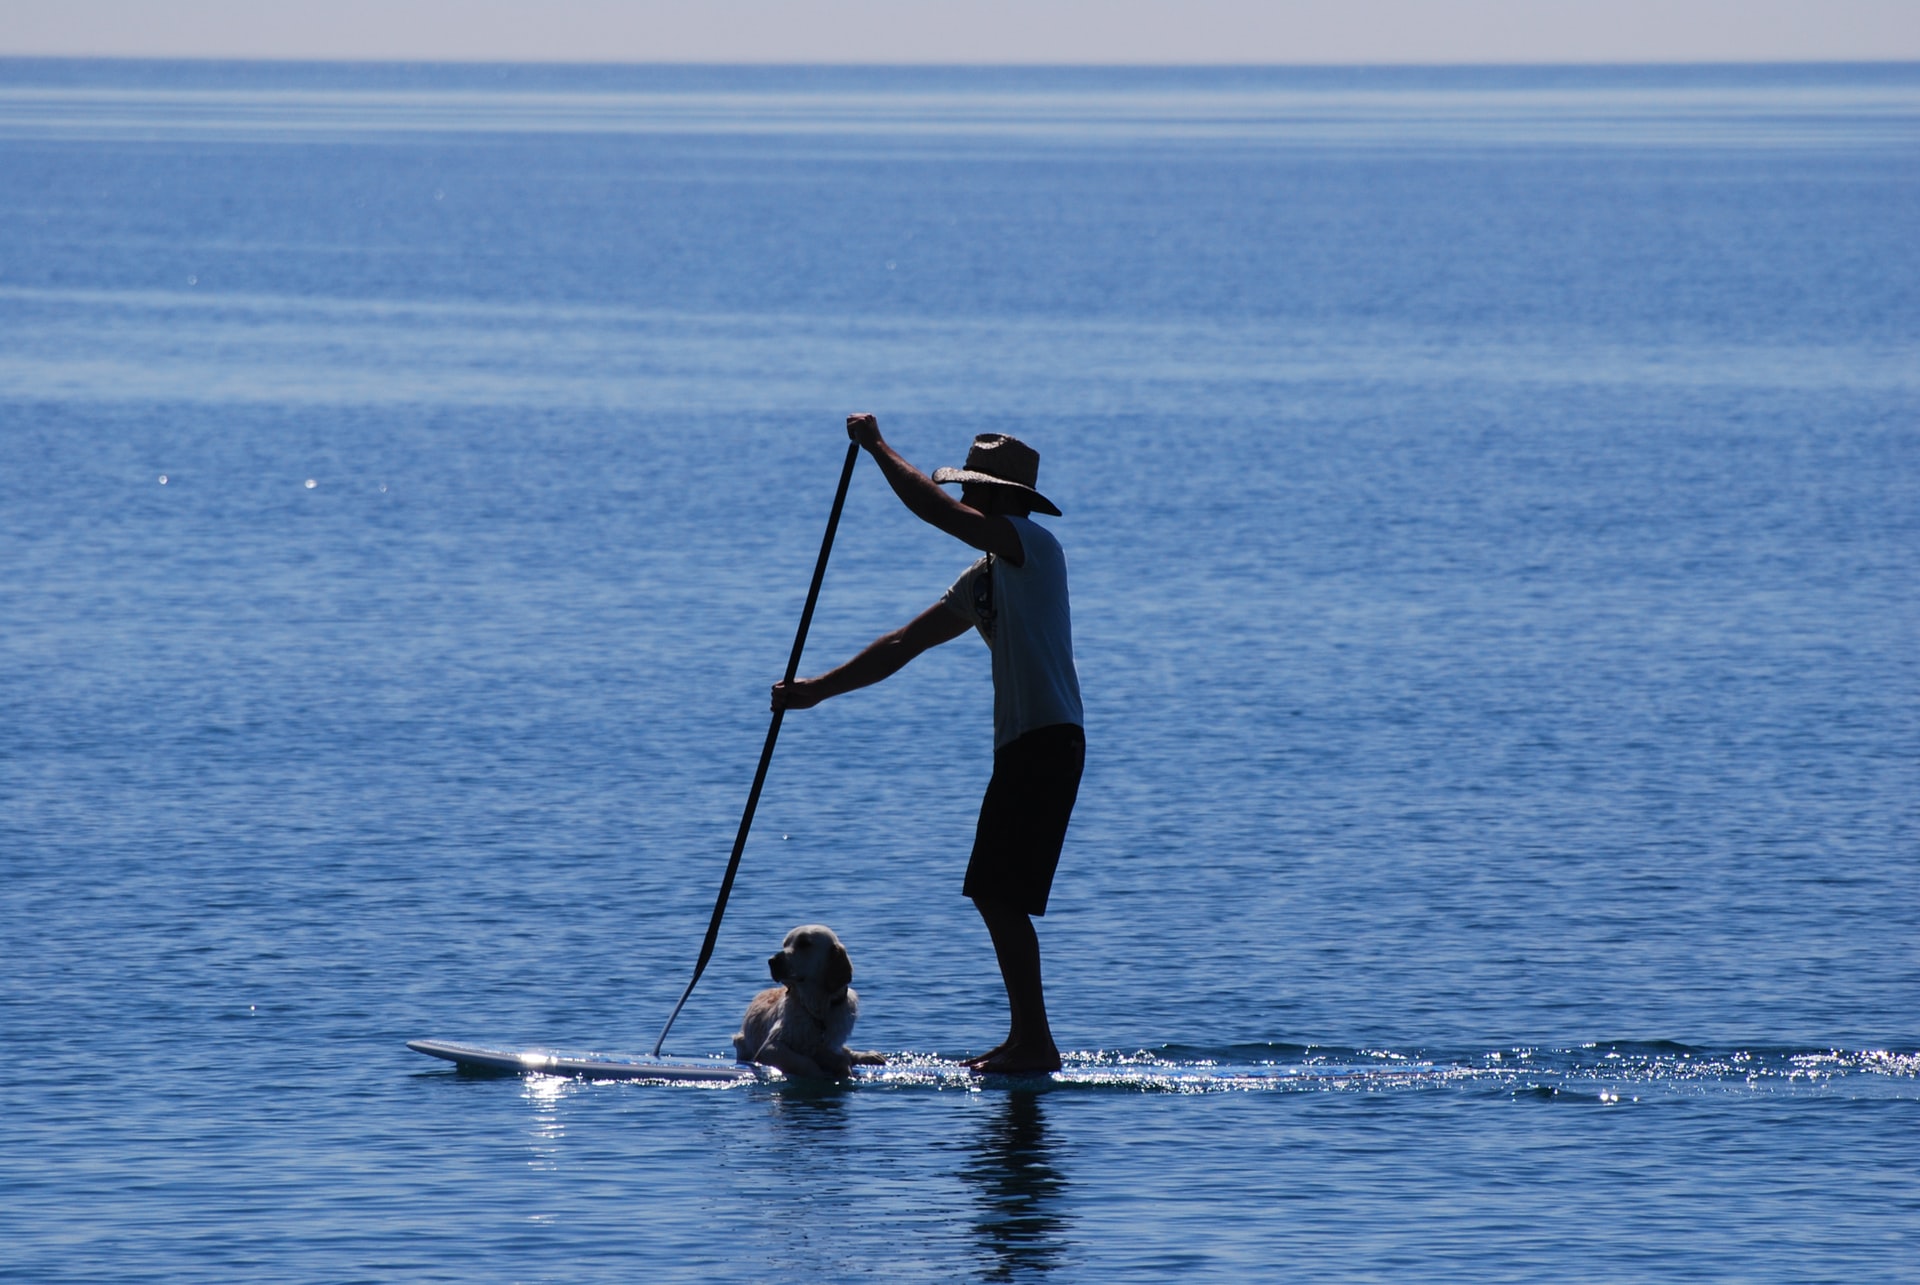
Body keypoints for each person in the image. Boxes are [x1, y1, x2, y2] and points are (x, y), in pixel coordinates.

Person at [771, 414, 1085, 1074]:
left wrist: (877, 446)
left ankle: (1035, 1041)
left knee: (999, 891)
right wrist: (815, 690)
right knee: (993, 890)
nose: (969, 501)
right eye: (966, 489)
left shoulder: (1033, 546)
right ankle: (1027, 1036)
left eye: (977, 490)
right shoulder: (985, 578)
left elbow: (934, 510)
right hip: (1022, 744)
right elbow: (901, 644)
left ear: (1004, 498)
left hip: (1049, 740)